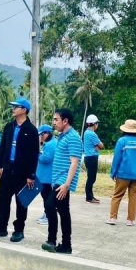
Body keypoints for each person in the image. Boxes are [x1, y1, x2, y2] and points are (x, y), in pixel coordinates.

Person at [0, 98, 39, 243]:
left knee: (21, 202)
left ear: (24, 110)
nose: (13, 109)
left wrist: (31, 175)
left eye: (16, 107)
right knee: (3, 199)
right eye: (13, 107)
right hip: (7, 170)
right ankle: (1, 227)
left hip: (22, 172)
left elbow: (34, 154)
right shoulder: (9, 127)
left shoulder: (31, 130)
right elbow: (3, 147)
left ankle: (19, 230)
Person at [41, 109, 82, 254]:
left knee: (49, 205)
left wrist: (67, 184)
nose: (54, 123)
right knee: (63, 211)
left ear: (65, 121)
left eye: (56, 119)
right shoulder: (63, 136)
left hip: (63, 181)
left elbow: (74, 162)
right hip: (58, 179)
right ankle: (66, 245)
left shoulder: (73, 137)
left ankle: (52, 240)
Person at [106, 120, 136, 226]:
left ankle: (113, 218)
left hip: (123, 174)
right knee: (134, 198)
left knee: (117, 195)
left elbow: (117, 159)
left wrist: (113, 173)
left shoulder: (122, 141)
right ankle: (130, 220)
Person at [36, 125, 56, 226]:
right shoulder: (48, 144)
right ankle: (46, 213)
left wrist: (37, 153)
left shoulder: (51, 144)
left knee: (47, 197)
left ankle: (49, 215)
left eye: (42, 135)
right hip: (45, 176)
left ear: (47, 133)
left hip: (47, 177)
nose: (41, 137)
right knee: (45, 197)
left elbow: (46, 159)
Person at [83, 114, 104, 204]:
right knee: (91, 178)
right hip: (92, 158)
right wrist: (98, 147)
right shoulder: (92, 134)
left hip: (88, 157)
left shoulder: (86, 132)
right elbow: (101, 146)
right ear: (95, 124)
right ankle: (89, 197)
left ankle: (90, 196)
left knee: (90, 178)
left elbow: (98, 146)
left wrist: (97, 147)